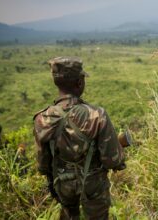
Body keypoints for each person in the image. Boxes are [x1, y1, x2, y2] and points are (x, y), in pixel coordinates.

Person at [33, 57, 125, 220]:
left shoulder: (42, 118)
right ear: (79, 83)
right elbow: (112, 160)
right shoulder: (97, 115)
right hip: (93, 186)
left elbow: (42, 165)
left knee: (68, 214)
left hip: (63, 184)